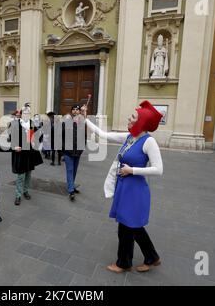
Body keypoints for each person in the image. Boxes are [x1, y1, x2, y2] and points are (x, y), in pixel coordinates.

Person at [81, 100, 163, 273]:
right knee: (134, 226)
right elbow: (103, 134)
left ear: (141, 122)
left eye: (133, 116)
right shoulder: (130, 137)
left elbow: (159, 169)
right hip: (124, 188)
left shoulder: (149, 142)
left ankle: (124, 263)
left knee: (126, 227)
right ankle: (152, 257)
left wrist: (132, 170)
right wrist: (85, 118)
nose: (129, 118)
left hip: (135, 191)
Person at [9, 104, 43, 206]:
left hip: (30, 153)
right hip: (20, 153)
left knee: (28, 174)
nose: (26, 114)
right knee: (21, 175)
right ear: (21, 114)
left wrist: (35, 141)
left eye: (28, 113)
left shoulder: (32, 124)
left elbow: (38, 136)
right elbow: (11, 138)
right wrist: (14, 146)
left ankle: (25, 191)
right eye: (24, 113)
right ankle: (18, 195)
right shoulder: (15, 124)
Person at [62, 105, 86, 201]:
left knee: (75, 170)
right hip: (68, 151)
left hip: (78, 151)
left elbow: (84, 136)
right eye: (74, 109)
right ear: (71, 111)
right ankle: (71, 190)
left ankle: (71, 185)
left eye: (77, 109)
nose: (75, 111)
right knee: (70, 170)